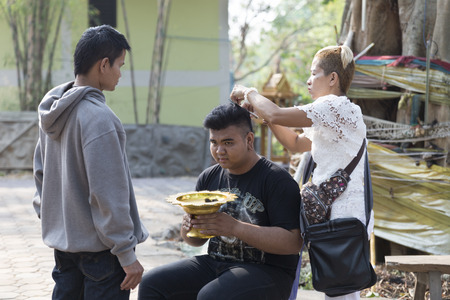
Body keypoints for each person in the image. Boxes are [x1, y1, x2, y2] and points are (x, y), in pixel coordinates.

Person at [230, 45, 374, 300]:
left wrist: (249, 92)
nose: (308, 80)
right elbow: (296, 144)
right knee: (340, 290)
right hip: (337, 217)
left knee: (341, 292)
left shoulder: (334, 106)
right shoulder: (336, 115)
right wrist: (268, 119)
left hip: (342, 219)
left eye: (313, 73)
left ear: (332, 79)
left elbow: (275, 112)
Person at [138, 103, 302, 300]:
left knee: (212, 296)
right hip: (217, 263)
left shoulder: (277, 180)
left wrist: (234, 228)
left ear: (249, 139)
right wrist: (188, 226)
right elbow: (194, 240)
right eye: (214, 142)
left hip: (269, 272)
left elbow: (293, 243)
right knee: (152, 283)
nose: (219, 150)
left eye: (228, 142)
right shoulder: (208, 177)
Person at [32, 25, 149, 300]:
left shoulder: (52, 111)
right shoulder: (100, 119)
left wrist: (55, 218)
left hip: (64, 249)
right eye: (120, 65)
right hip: (101, 255)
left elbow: (40, 173)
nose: (121, 73)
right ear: (104, 65)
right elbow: (107, 194)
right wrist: (126, 253)